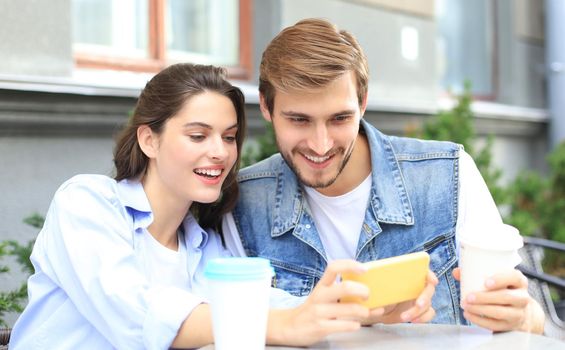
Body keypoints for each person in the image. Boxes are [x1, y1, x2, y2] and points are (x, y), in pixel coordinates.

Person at [9, 63, 422, 349]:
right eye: (197, 135)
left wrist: (365, 309)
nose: (219, 152)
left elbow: (271, 304)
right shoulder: (87, 203)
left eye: (228, 137)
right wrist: (286, 325)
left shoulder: (203, 247)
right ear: (149, 140)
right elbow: (135, 316)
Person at [222, 18, 545, 333]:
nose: (320, 145)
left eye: (339, 118)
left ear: (362, 102)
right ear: (266, 107)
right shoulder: (243, 202)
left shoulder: (448, 174)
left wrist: (522, 318)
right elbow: (229, 323)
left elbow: (529, 315)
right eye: (299, 120)